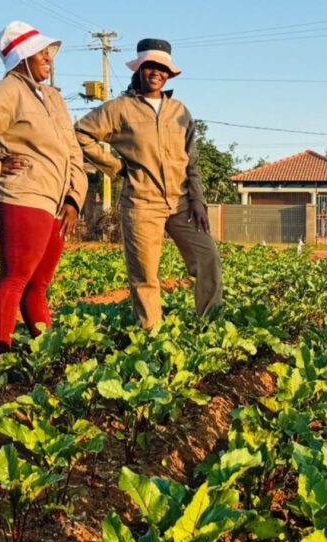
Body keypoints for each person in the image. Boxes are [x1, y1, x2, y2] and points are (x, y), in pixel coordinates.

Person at [0, 21, 87, 362]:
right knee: (15, 278)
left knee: (38, 284)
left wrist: (73, 199)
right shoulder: (8, 90)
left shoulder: (53, 98)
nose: (49, 60)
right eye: (42, 54)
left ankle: (45, 357)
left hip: (54, 202)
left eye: (49, 54)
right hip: (20, 196)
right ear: (23, 57)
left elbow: (72, 151)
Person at [74, 39, 222, 330]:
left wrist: (198, 199)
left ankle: (210, 328)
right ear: (140, 68)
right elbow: (81, 134)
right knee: (145, 276)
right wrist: (116, 168)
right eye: (150, 66)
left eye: (162, 67)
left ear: (169, 73)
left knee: (208, 261)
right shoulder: (119, 109)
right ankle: (150, 337)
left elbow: (191, 158)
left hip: (182, 203)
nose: (156, 72)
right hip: (141, 202)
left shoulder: (179, 111)